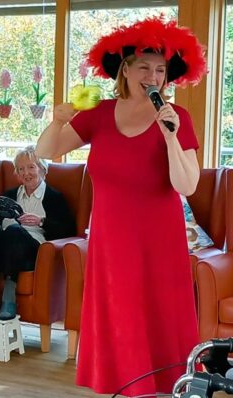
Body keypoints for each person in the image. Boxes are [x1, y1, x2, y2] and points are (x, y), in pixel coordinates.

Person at [35, 17, 205, 396]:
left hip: (159, 240)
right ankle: (127, 386)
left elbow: (187, 185)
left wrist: (172, 138)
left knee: (158, 315)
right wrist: (58, 121)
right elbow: (47, 151)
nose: (153, 76)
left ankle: (164, 386)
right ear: (125, 69)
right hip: (110, 239)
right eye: (144, 66)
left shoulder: (178, 119)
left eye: (160, 70)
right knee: (119, 314)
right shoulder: (99, 114)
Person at [0, 146, 75, 321]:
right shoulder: (10, 195)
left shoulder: (54, 197)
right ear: (17, 173)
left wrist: (41, 221)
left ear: (42, 169)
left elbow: (69, 230)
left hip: (33, 248)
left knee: (14, 230)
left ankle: (8, 299)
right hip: (5, 246)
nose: (26, 173)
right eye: (21, 169)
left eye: (31, 167)